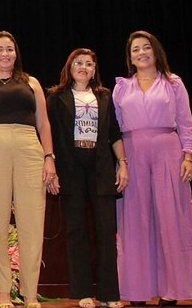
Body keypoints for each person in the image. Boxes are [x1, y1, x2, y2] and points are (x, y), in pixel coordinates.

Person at [112, 31, 192, 307]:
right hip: (132, 152)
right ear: (129, 57)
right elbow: (115, 129)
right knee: (134, 221)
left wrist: (188, 156)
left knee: (171, 219)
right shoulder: (122, 88)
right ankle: (137, 291)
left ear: (156, 51)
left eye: (146, 47)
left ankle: (170, 290)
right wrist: (121, 162)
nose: (141, 53)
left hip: (168, 150)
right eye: (135, 50)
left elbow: (186, 122)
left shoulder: (173, 83)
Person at [0, 31, 59, 308]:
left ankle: (30, 293)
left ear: (16, 53)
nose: (5, 54)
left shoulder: (31, 82)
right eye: (0, 50)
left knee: (32, 222)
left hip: (29, 150)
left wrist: (49, 157)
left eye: (10, 49)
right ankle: (3, 292)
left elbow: (43, 123)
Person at [46, 48, 128, 308]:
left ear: (94, 70)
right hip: (71, 168)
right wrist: (52, 168)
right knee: (76, 229)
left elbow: (114, 132)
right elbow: (49, 133)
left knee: (106, 230)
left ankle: (109, 294)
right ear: (69, 67)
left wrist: (123, 164)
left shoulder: (104, 96)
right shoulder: (57, 97)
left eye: (89, 64)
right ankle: (82, 291)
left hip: (101, 166)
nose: (84, 67)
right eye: (79, 63)